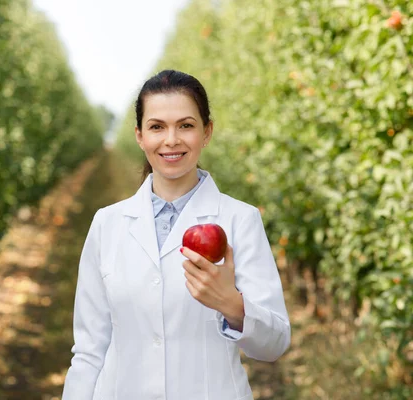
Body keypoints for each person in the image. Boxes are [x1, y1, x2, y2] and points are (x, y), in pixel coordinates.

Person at [61, 70, 290, 400]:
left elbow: (275, 343)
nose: (171, 140)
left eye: (185, 125)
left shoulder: (240, 220)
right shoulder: (107, 224)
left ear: (206, 132)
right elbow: (88, 350)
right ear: (140, 136)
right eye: (157, 127)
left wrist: (233, 306)